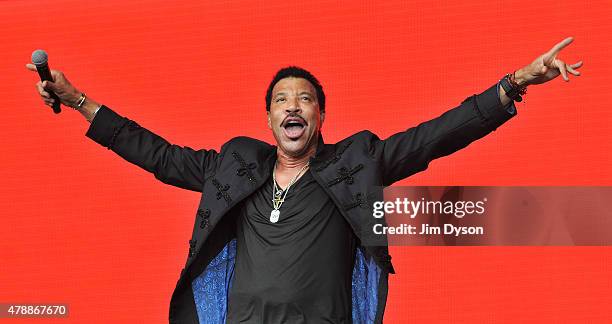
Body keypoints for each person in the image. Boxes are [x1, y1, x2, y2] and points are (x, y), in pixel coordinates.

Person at [27, 37, 582, 324]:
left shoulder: (356, 162)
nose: (293, 107)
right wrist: (77, 100)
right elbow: (157, 154)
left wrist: (513, 84)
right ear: (269, 120)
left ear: (320, 115)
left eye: (305, 99)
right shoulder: (233, 167)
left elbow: (433, 136)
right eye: (281, 100)